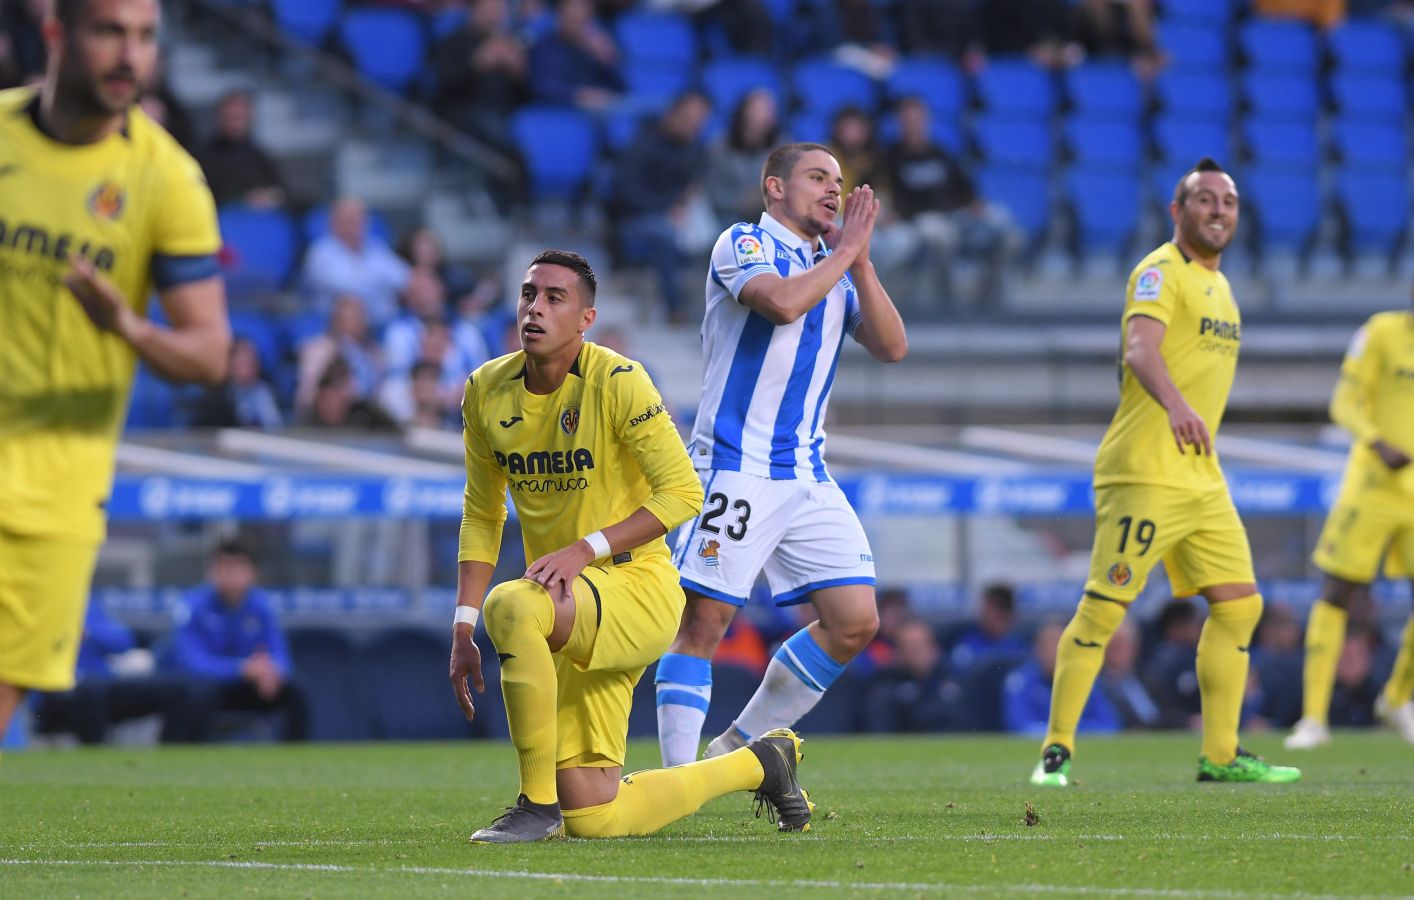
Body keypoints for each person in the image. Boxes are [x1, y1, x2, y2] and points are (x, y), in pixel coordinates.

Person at [449, 249, 812, 842]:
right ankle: (760, 764)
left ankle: (534, 807)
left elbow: (682, 494)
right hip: (565, 606)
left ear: (585, 319)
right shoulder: (485, 391)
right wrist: (463, 625)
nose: (534, 308)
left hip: (634, 589)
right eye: (528, 295)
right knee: (596, 817)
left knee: (511, 606)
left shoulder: (620, 380)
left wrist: (582, 549)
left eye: (553, 298)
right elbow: (482, 514)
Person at [1028, 158, 1301, 787]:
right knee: (1105, 610)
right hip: (1145, 472)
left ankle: (1222, 755)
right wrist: (1176, 407)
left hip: (1202, 478)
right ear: (1179, 213)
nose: (1218, 210)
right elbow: (1139, 350)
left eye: (1228, 202)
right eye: (1204, 200)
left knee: (1240, 606)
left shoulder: (1223, 288)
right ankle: (1056, 753)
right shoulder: (1159, 270)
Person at [0, 0, 230, 745]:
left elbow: (209, 354)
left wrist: (126, 326)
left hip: (55, 493)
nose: (130, 54)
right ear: (59, 34)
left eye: (144, 36)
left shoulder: (167, 180)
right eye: (109, 31)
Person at [653, 142, 908, 768]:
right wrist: (846, 254)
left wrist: (863, 264)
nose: (833, 190)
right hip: (736, 465)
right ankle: (677, 779)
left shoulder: (835, 264)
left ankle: (733, 750)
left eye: (840, 181)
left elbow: (893, 346)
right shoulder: (742, 244)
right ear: (774, 187)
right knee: (704, 623)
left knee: (855, 622)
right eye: (817, 177)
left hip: (806, 473)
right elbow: (781, 302)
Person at [1285, 299, 1414, 748]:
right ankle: (1314, 719)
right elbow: (1343, 402)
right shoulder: (1380, 332)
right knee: (1338, 592)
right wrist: (1378, 442)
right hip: (1374, 485)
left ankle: (1397, 699)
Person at [167, 538, 309, 742]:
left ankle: (296, 759)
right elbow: (191, 662)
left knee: (295, 692)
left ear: (252, 573)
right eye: (223, 566)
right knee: (197, 692)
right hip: (210, 686)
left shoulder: (262, 606)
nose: (229, 574)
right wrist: (241, 669)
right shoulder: (193, 605)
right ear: (210, 571)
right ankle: (185, 755)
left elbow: (280, 654)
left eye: (237, 567)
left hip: (250, 685)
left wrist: (272, 674)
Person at [194, 88, 285, 209]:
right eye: (231, 117)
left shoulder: (259, 157)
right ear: (219, 117)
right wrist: (244, 199)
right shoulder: (202, 157)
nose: (235, 124)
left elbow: (281, 192)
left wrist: (271, 197)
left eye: (240, 118)